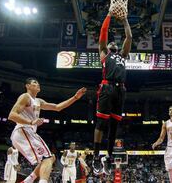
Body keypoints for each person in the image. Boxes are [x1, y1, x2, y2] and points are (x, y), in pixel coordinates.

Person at [8, 77, 86, 183]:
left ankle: (27, 181)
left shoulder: (38, 101)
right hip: (23, 130)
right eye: (34, 83)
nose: (38, 84)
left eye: (38, 82)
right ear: (27, 86)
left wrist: (75, 97)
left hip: (25, 133)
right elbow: (12, 115)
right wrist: (31, 122)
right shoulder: (25, 97)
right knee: (47, 159)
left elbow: (57, 107)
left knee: (50, 158)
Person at [92, 11, 132, 175]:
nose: (113, 44)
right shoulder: (104, 53)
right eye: (111, 44)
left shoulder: (123, 55)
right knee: (101, 124)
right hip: (107, 88)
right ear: (107, 47)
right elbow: (103, 32)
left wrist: (125, 21)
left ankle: (108, 157)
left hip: (120, 89)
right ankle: (95, 156)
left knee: (115, 127)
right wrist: (108, 15)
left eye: (115, 44)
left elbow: (128, 38)